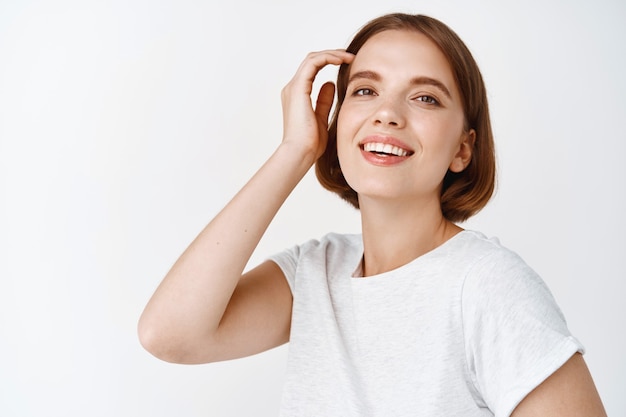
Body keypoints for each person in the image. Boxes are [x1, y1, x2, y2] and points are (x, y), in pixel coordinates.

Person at [138, 13, 606, 416]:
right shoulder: (316, 272)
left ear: (463, 147)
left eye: (425, 98)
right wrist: (295, 151)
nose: (387, 114)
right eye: (364, 91)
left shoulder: (486, 284)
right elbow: (170, 334)